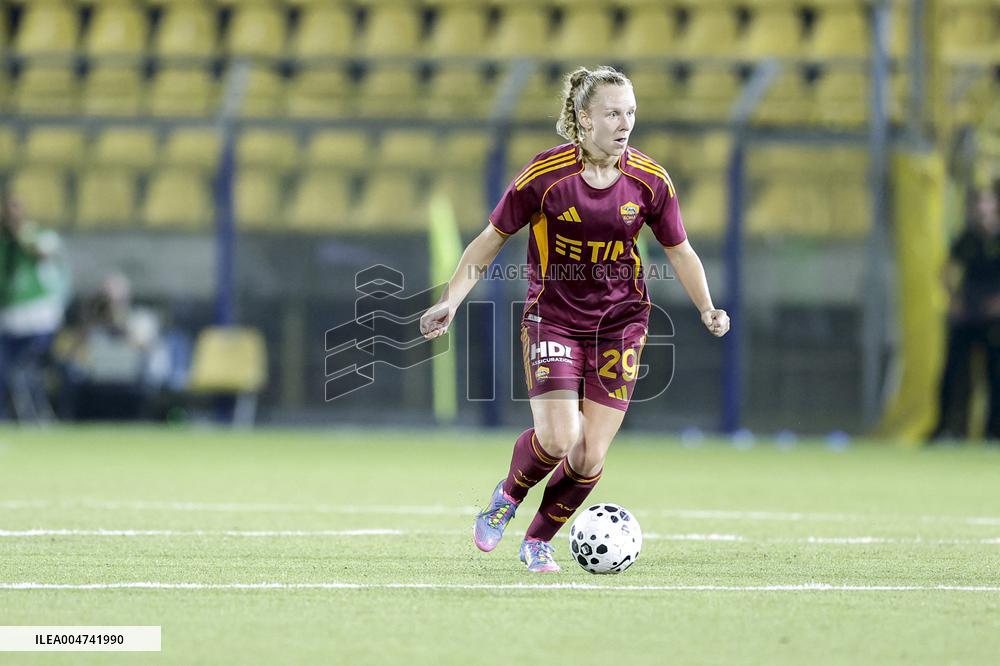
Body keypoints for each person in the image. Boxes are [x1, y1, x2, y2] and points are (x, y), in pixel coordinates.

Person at [419, 66, 729, 573]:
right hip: (554, 320)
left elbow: (681, 250)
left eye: (630, 111)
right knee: (560, 438)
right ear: (585, 119)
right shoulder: (545, 177)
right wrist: (451, 300)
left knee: (588, 455)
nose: (624, 121)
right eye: (612, 112)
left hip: (621, 323)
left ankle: (539, 540)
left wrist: (706, 306)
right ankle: (507, 496)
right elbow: (489, 240)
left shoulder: (650, 180)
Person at [932, 179, 1000, 441]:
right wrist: (953, 300)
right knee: (954, 374)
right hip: (968, 317)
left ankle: (993, 432)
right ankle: (948, 429)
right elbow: (945, 271)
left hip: (994, 320)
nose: (981, 211)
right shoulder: (967, 238)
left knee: (995, 377)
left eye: (986, 204)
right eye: (976, 205)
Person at [0, 190, 70, 420]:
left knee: (26, 370)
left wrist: (20, 233)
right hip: (9, 319)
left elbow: (43, 254)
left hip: (38, 319)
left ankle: (37, 415)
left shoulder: (40, 235)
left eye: (14, 208)